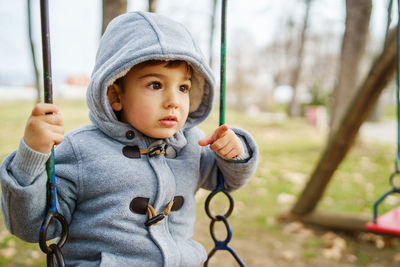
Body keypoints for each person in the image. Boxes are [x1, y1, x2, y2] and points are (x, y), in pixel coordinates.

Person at [0, 11, 258, 266]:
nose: (173, 102)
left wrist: (235, 153)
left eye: (183, 87)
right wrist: (32, 156)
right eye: (155, 85)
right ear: (115, 95)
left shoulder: (191, 143)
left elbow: (227, 181)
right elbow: (32, 226)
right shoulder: (81, 150)